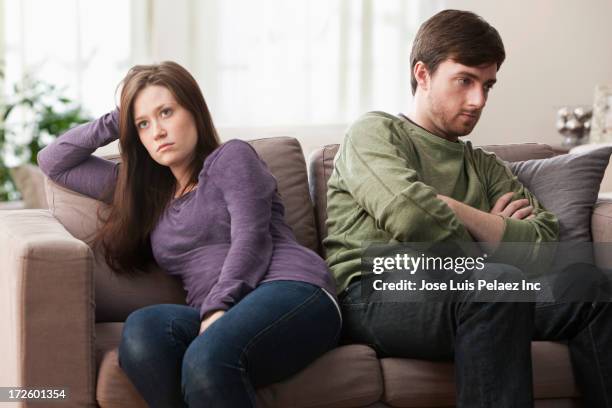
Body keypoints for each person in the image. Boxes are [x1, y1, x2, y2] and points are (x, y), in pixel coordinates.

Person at [324, 9, 612, 407]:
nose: (478, 100)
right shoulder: (374, 132)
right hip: (377, 291)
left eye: (487, 85)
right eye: (465, 80)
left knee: (588, 284)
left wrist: (451, 207)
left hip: (480, 290)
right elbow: (411, 216)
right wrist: (496, 233)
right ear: (422, 74)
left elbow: (546, 246)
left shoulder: (484, 165)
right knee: (496, 281)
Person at [37, 61, 341, 408]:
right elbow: (54, 160)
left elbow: (251, 239)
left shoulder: (231, 158)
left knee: (205, 358)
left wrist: (217, 308)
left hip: (292, 290)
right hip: (223, 314)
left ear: (193, 110)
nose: (157, 131)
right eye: (143, 124)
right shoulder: (146, 195)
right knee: (142, 330)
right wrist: (119, 117)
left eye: (166, 112)